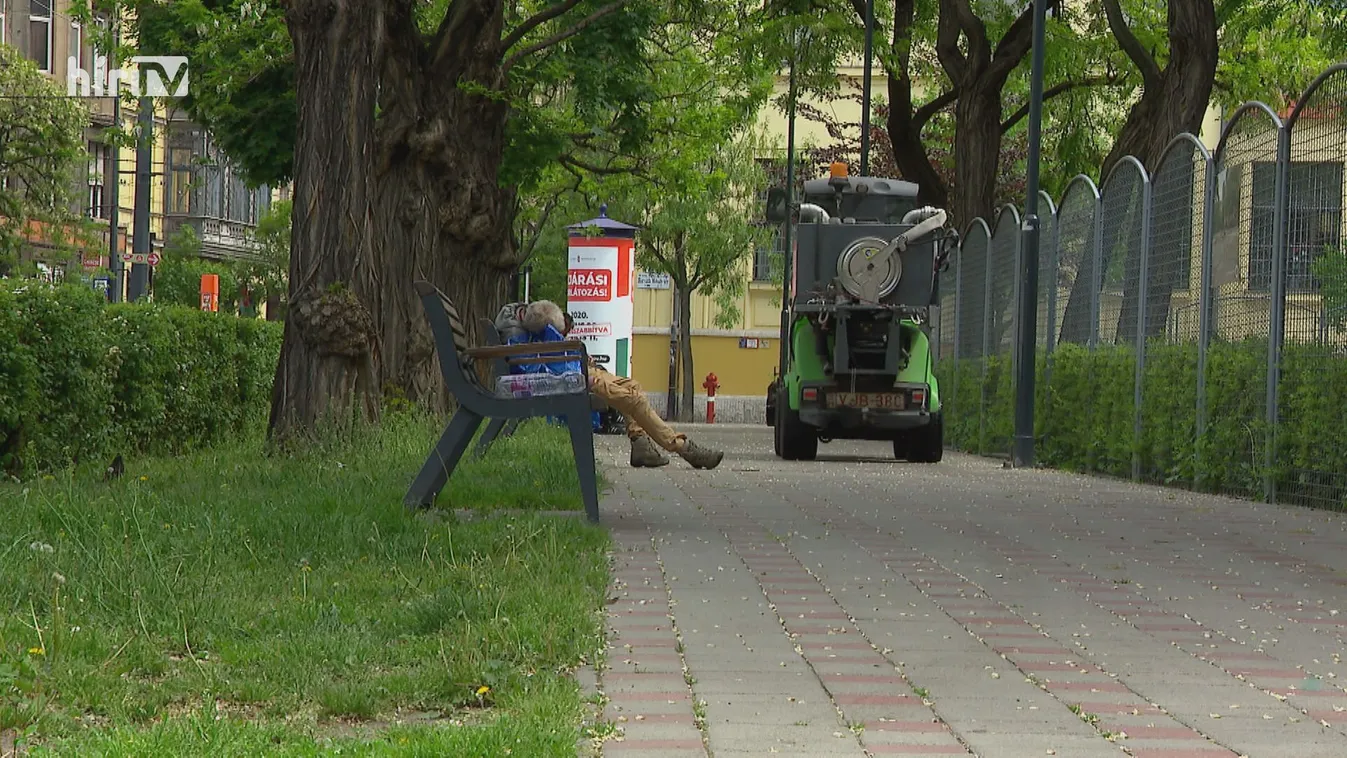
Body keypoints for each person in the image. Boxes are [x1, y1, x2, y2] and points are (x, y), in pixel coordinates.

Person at [497, 300, 724, 470]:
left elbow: (550, 354)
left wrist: (576, 358)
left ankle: (641, 445)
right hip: (576, 379)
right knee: (633, 399)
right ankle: (682, 448)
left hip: (577, 370)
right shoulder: (518, 334)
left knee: (632, 385)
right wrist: (577, 370)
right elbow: (540, 371)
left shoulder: (523, 314)